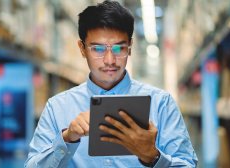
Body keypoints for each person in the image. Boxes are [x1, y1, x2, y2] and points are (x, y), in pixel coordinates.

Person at [25, 0, 198, 167]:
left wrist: (153, 156)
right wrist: (67, 139)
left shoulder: (161, 104)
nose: (109, 60)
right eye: (98, 49)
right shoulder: (57, 108)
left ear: (130, 46)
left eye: (118, 48)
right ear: (82, 49)